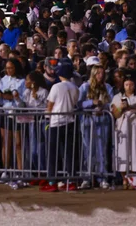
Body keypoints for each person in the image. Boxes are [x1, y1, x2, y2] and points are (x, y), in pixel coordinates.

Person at [41, 61, 79, 192]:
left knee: (53, 154)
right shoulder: (75, 87)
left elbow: (50, 106)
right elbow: (74, 103)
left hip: (56, 122)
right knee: (69, 153)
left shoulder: (56, 87)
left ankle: (52, 181)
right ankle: (72, 181)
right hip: (70, 122)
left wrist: (47, 118)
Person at [112, 78, 136, 187]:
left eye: (131, 84)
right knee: (122, 153)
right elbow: (115, 114)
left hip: (134, 128)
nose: (129, 87)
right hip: (122, 128)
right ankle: (124, 179)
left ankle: (132, 179)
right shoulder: (117, 97)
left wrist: (131, 107)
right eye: (126, 84)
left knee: (134, 152)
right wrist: (121, 108)